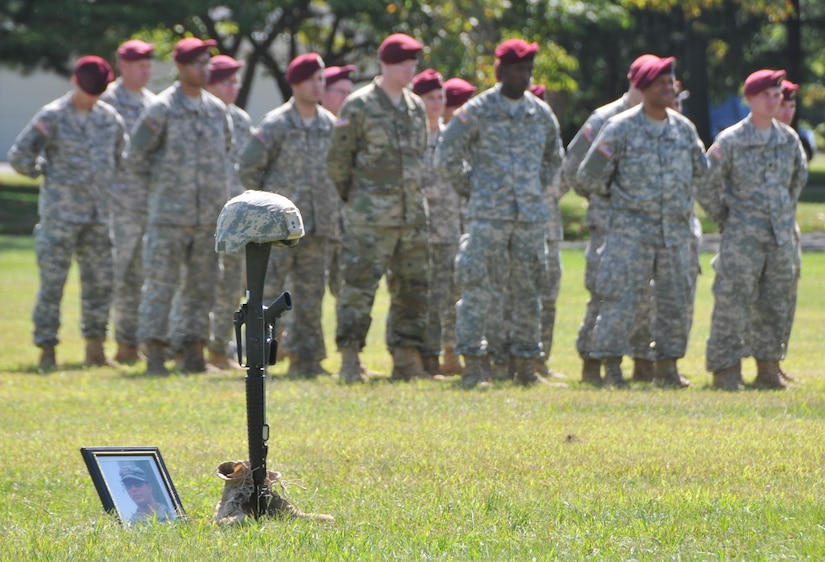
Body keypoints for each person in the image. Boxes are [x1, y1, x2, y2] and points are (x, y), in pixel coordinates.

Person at [436, 38, 564, 387]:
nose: (524, 76)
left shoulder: (539, 112)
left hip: (529, 218)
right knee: (477, 286)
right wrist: (475, 190)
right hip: (487, 217)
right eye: (518, 70)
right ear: (502, 71)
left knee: (528, 290)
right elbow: (446, 155)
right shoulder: (476, 110)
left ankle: (525, 367)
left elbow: (555, 156)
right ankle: (474, 365)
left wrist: (534, 188)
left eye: (528, 70)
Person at [576, 55, 708, 388]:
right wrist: (620, 198)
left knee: (675, 302)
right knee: (620, 300)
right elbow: (587, 177)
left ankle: (667, 368)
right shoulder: (620, 127)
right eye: (662, 83)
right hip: (629, 234)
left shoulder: (684, 129)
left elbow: (701, 172)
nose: (669, 88)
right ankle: (612, 368)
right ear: (644, 87)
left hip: (674, 235)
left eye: (671, 82)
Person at [9, 56, 126, 371]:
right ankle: (47, 350)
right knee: (52, 285)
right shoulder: (53, 116)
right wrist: (44, 171)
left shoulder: (110, 118)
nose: (92, 98)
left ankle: (95, 349)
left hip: (98, 217)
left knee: (100, 284)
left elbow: (120, 157)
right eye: (88, 91)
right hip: (60, 217)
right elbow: (20, 155)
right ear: (75, 83)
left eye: (97, 93)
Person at [125, 37, 233, 376]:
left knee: (202, 289)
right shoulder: (162, 108)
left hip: (206, 221)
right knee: (161, 285)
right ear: (181, 67)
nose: (205, 69)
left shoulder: (216, 110)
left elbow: (226, 152)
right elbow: (135, 156)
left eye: (207, 63)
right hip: (169, 217)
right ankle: (155, 353)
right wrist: (163, 188)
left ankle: (193, 353)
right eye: (198, 63)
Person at [326, 33, 430, 383]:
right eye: (404, 63)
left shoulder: (415, 106)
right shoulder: (358, 105)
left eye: (413, 63)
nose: (410, 69)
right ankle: (351, 359)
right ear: (385, 64)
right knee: (357, 287)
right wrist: (358, 201)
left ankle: (405, 358)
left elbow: (420, 157)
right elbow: (338, 162)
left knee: (412, 287)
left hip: (411, 216)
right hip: (369, 219)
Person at [698, 69, 807, 390]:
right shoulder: (731, 140)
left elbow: (796, 182)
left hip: (779, 239)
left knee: (775, 304)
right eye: (766, 96)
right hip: (741, 239)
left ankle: (768, 369)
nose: (773, 102)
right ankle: (725, 370)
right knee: (732, 302)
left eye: (777, 96)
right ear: (749, 98)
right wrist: (726, 216)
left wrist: (782, 217)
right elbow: (705, 183)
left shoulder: (788, 140)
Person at [237, 53, 339, 378]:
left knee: (311, 294)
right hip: (279, 229)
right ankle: (263, 358)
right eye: (310, 78)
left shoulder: (330, 125)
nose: (317, 85)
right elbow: (248, 166)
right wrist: (268, 208)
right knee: (270, 294)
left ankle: (308, 360)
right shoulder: (276, 123)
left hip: (317, 225)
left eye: (321, 79)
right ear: (295, 83)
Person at [562, 54, 658, 385]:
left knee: (649, 293)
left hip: (648, 224)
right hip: (608, 222)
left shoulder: (661, 117)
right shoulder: (605, 118)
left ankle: (644, 362)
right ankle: (591, 364)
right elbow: (574, 169)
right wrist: (610, 194)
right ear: (634, 82)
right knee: (604, 291)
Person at [101, 39, 157, 364]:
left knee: (149, 277)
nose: (145, 69)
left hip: (152, 205)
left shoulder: (154, 103)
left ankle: (143, 341)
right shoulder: (107, 101)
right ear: (122, 65)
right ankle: (122, 345)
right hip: (119, 205)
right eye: (139, 64)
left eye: (149, 64)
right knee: (119, 275)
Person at [411, 68, 464, 377]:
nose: (435, 102)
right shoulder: (412, 139)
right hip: (420, 231)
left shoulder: (452, 138)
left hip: (451, 228)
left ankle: (450, 353)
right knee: (422, 296)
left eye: (439, 97)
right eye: (429, 97)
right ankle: (421, 357)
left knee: (453, 295)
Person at [204, 54, 252, 370]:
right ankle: (186, 348)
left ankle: (220, 350)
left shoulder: (243, 121)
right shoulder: (200, 116)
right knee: (195, 285)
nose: (232, 86)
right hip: (199, 215)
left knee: (231, 287)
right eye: (225, 80)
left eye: (235, 80)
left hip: (234, 220)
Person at [320, 64, 355, 302]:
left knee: (347, 294)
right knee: (305, 296)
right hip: (315, 227)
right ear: (323, 93)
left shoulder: (353, 129)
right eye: (339, 92)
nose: (346, 98)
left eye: (348, 92)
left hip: (346, 226)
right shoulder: (314, 127)